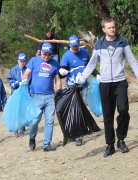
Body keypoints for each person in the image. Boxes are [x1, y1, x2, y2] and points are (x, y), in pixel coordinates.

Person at [78, 17, 138, 157]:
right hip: (105, 84)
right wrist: (81, 80)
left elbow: (133, 61)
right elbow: (92, 63)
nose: (113, 29)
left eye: (114, 27)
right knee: (108, 115)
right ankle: (110, 145)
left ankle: (121, 139)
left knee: (123, 110)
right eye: (110, 27)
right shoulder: (99, 44)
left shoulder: (123, 41)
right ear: (104, 29)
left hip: (120, 82)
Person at [59, 35, 100, 146]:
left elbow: (90, 67)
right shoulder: (66, 55)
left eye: (76, 46)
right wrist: (62, 73)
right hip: (72, 87)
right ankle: (78, 136)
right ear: (69, 45)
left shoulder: (85, 53)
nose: (75, 48)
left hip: (84, 85)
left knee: (81, 108)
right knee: (75, 109)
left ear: (79, 44)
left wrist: (97, 74)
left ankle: (81, 131)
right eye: (73, 46)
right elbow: (62, 71)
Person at [22, 42, 62, 152]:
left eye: (49, 54)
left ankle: (46, 144)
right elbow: (26, 74)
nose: (47, 56)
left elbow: (57, 80)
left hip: (50, 96)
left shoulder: (55, 63)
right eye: (45, 54)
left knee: (50, 121)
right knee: (35, 120)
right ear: (40, 52)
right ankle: (32, 136)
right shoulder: (34, 61)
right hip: (36, 96)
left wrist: (58, 93)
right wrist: (24, 81)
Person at [7, 53, 31, 137]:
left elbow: (30, 80)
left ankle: (22, 129)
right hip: (15, 93)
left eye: (24, 61)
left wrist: (27, 84)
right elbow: (10, 79)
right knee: (15, 112)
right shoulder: (13, 69)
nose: (22, 63)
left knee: (22, 111)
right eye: (21, 61)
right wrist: (16, 83)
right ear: (18, 60)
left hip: (24, 94)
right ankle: (15, 129)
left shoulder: (27, 69)